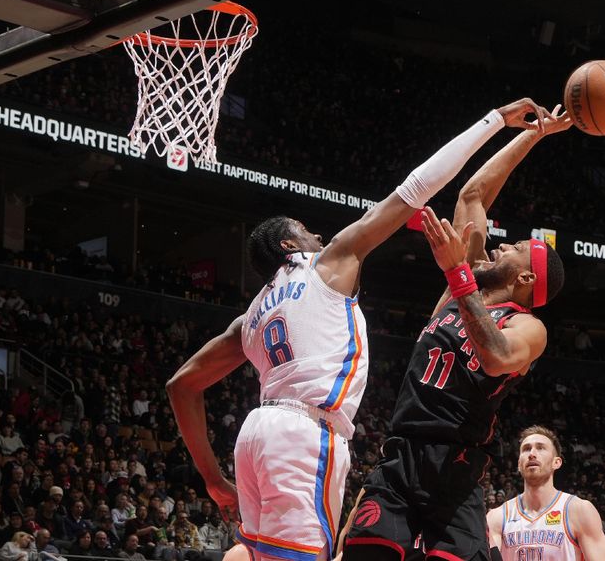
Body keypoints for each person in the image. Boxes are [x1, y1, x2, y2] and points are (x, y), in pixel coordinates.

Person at [167, 98, 555, 561]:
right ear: (291, 246)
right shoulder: (334, 264)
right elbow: (435, 191)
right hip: (340, 441)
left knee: (256, 552)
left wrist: (213, 477)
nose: (320, 237)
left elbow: (181, 383)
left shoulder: (251, 315)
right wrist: (502, 123)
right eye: (309, 232)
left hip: (283, 436)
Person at [342, 106, 572, 561]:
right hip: (401, 455)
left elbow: (496, 357)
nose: (505, 244)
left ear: (526, 280)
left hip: (456, 468)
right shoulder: (461, 289)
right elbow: (473, 195)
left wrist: (457, 272)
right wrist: (536, 135)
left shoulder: (529, 326)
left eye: (517, 248)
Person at [487, 426, 605, 561]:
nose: (532, 453)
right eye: (526, 449)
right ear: (519, 464)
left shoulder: (578, 510)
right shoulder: (496, 517)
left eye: (540, 448)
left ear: (556, 462)